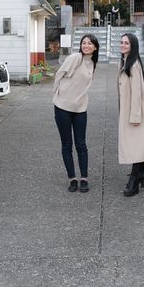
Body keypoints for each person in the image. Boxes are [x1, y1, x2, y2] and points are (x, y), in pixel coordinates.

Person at [52, 34, 99, 193]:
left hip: (80, 109)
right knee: (67, 145)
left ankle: (84, 178)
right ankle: (72, 178)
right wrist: (56, 94)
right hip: (62, 107)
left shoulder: (92, 63)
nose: (86, 45)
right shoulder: (75, 57)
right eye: (84, 43)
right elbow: (59, 74)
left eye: (89, 43)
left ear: (95, 47)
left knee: (81, 144)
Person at [117, 33, 144, 197]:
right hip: (129, 111)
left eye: (127, 43)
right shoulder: (125, 62)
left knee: (136, 145)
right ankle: (141, 173)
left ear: (133, 46)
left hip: (135, 112)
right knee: (138, 144)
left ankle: (134, 179)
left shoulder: (134, 65)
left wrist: (135, 117)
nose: (123, 45)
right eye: (122, 42)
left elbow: (137, 93)